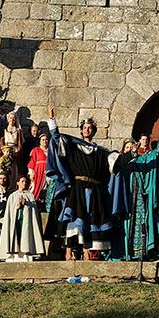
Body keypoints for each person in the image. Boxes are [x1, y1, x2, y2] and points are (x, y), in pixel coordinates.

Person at [45, 104, 118, 259]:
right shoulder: (74, 145)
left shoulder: (101, 152)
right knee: (75, 218)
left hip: (94, 189)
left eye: (90, 128)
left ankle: (86, 251)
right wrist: (52, 119)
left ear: (93, 131)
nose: (87, 130)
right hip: (78, 187)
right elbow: (57, 139)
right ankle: (69, 250)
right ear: (81, 130)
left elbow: (116, 162)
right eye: (84, 127)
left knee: (90, 219)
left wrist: (132, 154)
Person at [113, 126, 159, 261]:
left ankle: (140, 252)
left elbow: (154, 155)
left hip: (138, 198)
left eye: (131, 147)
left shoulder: (141, 160)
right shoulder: (120, 161)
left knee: (140, 223)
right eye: (127, 148)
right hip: (124, 199)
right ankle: (124, 252)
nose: (130, 149)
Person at [0, 175, 46, 262]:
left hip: (25, 222)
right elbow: (10, 212)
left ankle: (26, 255)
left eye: (25, 181)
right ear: (17, 183)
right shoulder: (12, 196)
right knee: (15, 237)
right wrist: (17, 207)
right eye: (22, 181)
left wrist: (26, 204)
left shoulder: (30, 196)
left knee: (26, 236)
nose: (24, 183)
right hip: (16, 222)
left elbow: (33, 212)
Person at [27, 132, 50, 203]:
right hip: (38, 172)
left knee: (47, 188)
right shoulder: (35, 150)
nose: (45, 141)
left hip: (48, 172)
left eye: (46, 139)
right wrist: (31, 173)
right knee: (35, 187)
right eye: (43, 140)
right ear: (40, 141)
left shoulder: (51, 150)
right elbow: (32, 162)